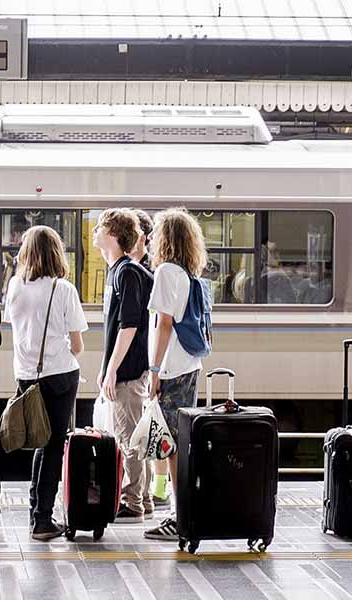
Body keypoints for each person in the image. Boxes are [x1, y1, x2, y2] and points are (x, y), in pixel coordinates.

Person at [4, 226, 87, 540]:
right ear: (56, 252)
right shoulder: (63, 289)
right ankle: (42, 520)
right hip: (59, 375)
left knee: (40, 440)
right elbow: (77, 345)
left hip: (25, 375)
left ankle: (35, 512)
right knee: (53, 446)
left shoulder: (15, 286)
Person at [143, 208, 208, 541]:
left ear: (167, 238)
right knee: (176, 442)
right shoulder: (186, 273)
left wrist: (154, 370)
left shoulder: (167, 271)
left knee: (171, 444)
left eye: (156, 232)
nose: (151, 238)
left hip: (172, 369)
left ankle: (178, 515)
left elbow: (164, 324)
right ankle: (181, 512)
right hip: (188, 365)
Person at [92, 208, 153, 523]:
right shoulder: (121, 270)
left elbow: (128, 326)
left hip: (128, 370)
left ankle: (132, 502)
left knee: (127, 436)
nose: (95, 231)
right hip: (123, 367)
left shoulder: (127, 272)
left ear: (114, 236)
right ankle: (142, 498)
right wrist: (106, 368)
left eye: (101, 227)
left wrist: (113, 368)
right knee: (131, 432)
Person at [128, 208, 170, 513]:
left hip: (147, 361)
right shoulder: (150, 270)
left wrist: (154, 367)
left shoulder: (144, 272)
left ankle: (155, 491)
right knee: (153, 427)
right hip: (150, 359)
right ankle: (155, 491)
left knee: (154, 429)